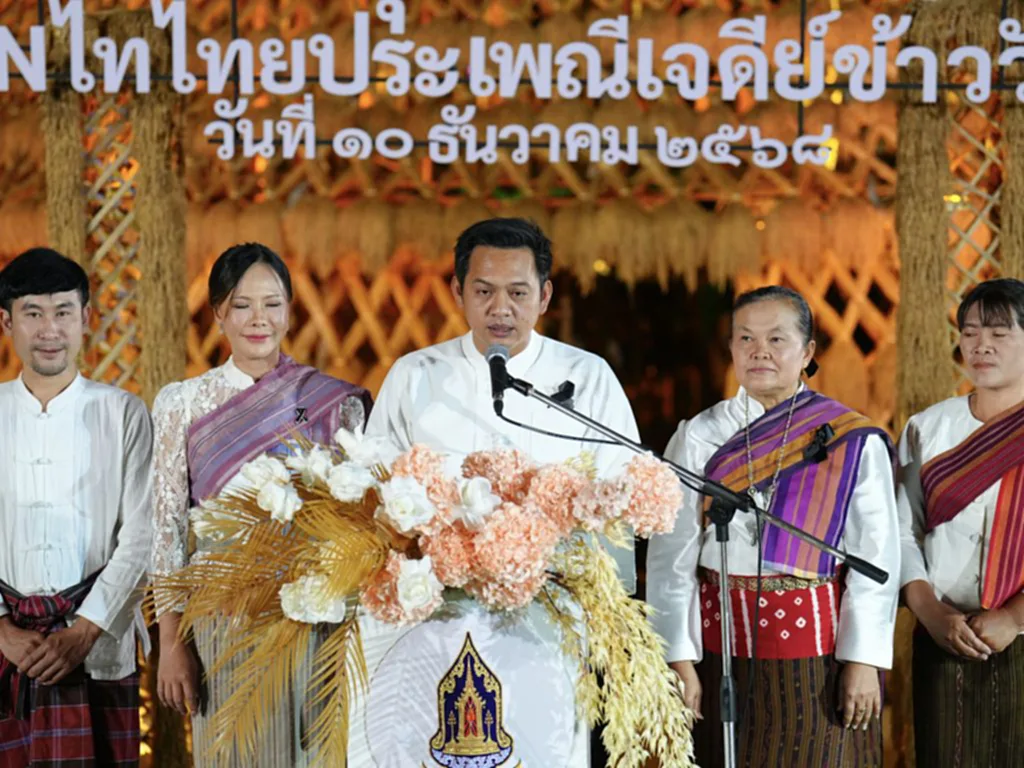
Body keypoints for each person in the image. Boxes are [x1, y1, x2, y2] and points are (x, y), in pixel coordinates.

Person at [362, 217, 641, 767]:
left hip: (550, 623)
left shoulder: (586, 376)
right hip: (432, 625)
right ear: (457, 291)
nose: (500, 309)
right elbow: (375, 496)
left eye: (517, 293)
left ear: (545, 296)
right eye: (484, 291)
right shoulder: (415, 375)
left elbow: (621, 498)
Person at [647, 286, 899, 767]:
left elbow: (877, 556)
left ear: (807, 352)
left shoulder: (850, 439)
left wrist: (863, 657)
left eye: (776, 339)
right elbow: (671, 555)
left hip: (819, 659)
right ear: (731, 348)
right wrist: (678, 656)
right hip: (721, 654)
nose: (759, 351)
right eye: (746, 338)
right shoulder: (699, 435)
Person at [149, 243, 371, 767]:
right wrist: (171, 643)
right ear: (218, 313)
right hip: (223, 619)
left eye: (272, 304)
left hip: (315, 616)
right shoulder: (182, 403)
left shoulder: (332, 403)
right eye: (242, 305)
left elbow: (356, 522)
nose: (258, 318)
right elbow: (165, 528)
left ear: (290, 311)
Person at [0, 248, 152, 767]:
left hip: (96, 645)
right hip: (5, 650)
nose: (50, 330)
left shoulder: (123, 413)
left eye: (63, 312)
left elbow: (143, 534)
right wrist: (4, 632)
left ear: (86, 318)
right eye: (33, 313)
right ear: (7, 322)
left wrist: (84, 631)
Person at [898, 278, 1024, 767]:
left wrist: (1013, 616)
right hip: (943, 636)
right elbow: (902, 532)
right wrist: (930, 612)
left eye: (999, 333)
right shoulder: (927, 428)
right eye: (970, 332)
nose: (980, 345)